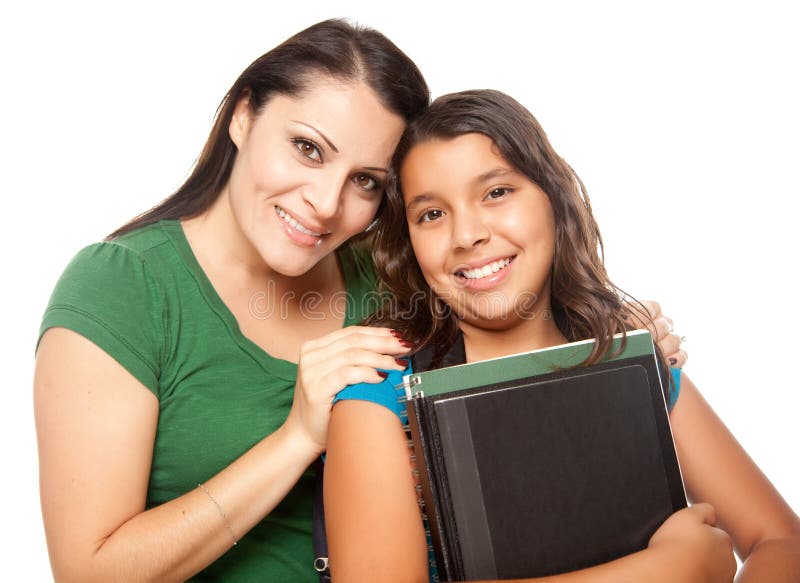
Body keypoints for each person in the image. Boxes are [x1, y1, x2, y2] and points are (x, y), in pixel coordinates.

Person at [33, 19, 680, 582]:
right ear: (243, 115)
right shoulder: (122, 286)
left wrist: (610, 340)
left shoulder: (391, 277)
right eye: (307, 149)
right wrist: (296, 437)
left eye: (365, 181)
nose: (325, 203)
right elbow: (90, 570)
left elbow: (513, 343)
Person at [324, 90, 800, 582]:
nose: (466, 235)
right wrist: (667, 570)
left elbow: (781, 541)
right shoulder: (379, 398)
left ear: (554, 200)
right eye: (432, 214)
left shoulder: (635, 362)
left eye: (496, 192)